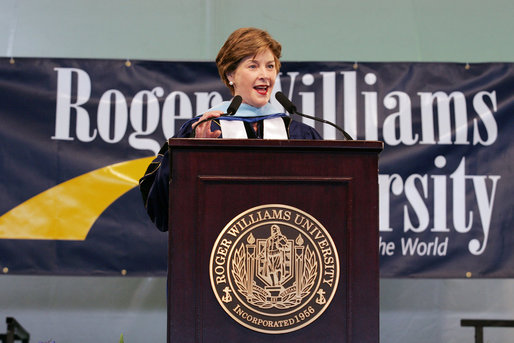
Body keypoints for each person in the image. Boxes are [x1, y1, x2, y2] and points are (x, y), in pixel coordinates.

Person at [139, 27, 322, 232]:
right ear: (230, 74)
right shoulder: (203, 129)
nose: (264, 75)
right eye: (253, 66)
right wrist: (192, 153)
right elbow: (161, 208)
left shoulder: (299, 135)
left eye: (270, 66)